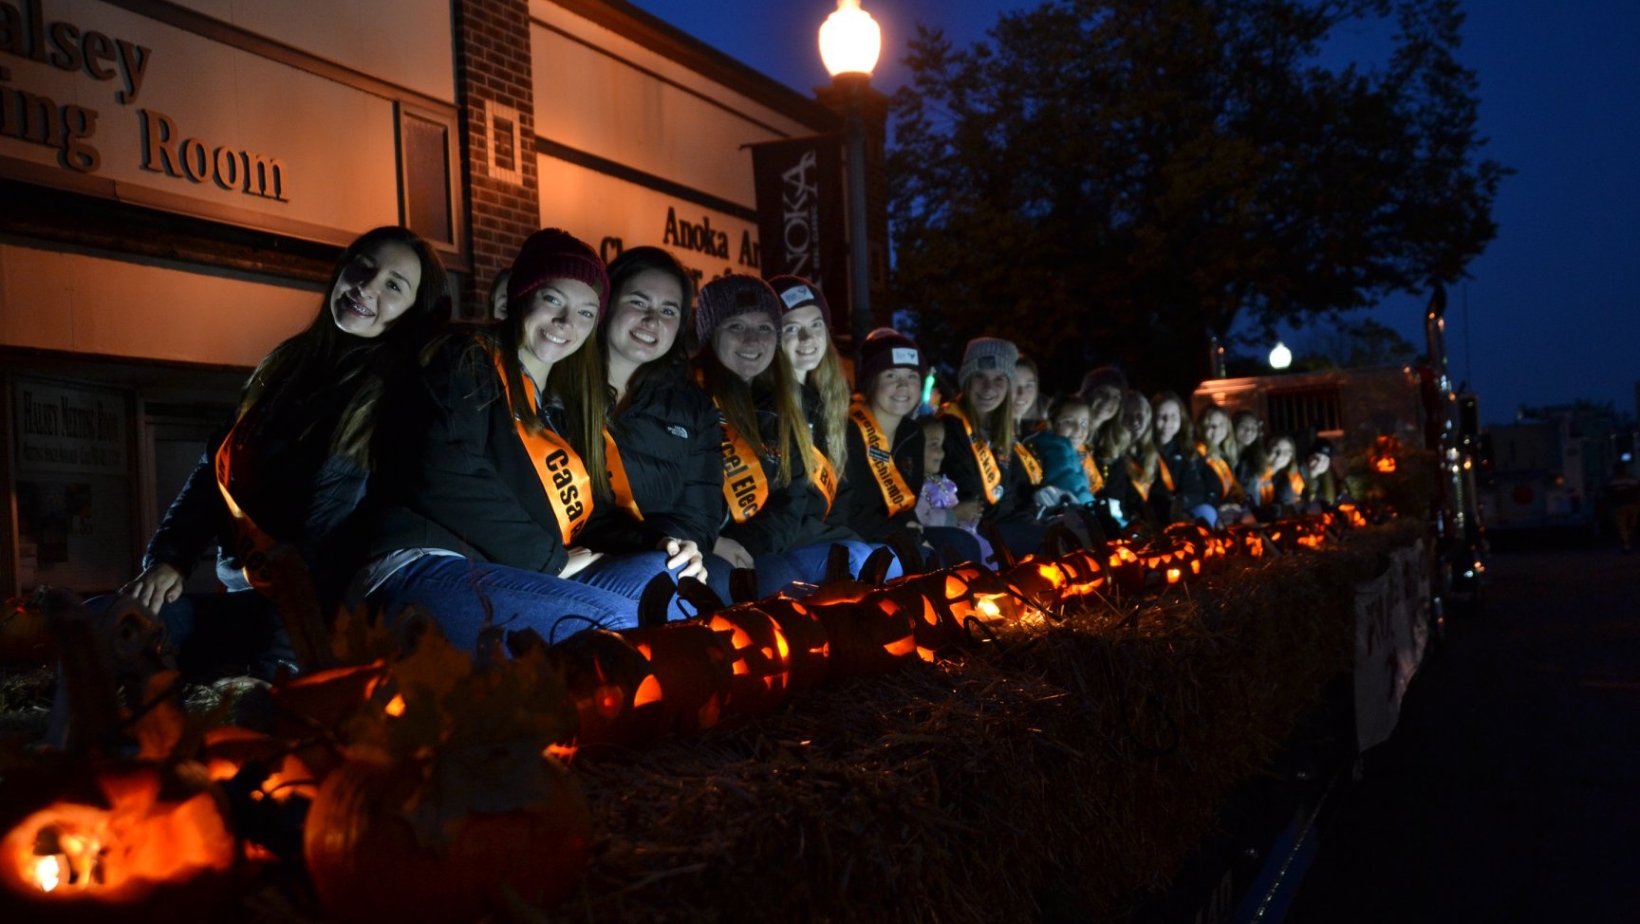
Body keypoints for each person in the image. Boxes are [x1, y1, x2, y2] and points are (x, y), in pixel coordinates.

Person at [123, 226, 451, 678]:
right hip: (248, 599)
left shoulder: (387, 399)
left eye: (394, 285)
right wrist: (168, 560)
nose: (366, 287)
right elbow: (214, 472)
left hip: (316, 623)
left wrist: (281, 665)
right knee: (114, 621)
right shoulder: (284, 366)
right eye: (363, 267)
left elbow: (326, 549)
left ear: (415, 310)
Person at [358, 228, 671, 650]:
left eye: (584, 312)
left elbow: (585, 512)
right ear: (523, 296)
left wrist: (660, 543)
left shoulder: (561, 405)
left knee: (669, 582)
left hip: (516, 568)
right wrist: (551, 561)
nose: (566, 323)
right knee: (610, 626)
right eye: (554, 300)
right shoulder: (464, 359)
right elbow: (447, 474)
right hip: (423, 563)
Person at [696, 274, 860, 596]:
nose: (752, 340)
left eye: (765, 328)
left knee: (866, 558)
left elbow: (794, 499)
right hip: (707, 546)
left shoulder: (782, 408)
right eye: (736, 327)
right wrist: (713, 540)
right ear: (709, 333)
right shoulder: (688, 396)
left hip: (769, 541)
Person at [576, 246, 720, 606]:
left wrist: (675, 545)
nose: (652, 320)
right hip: (570, 558)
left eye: (668, 310)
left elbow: (699, 511)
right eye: (638, 303)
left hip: (655, 558)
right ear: (607, 304)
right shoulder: (561, 383)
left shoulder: (695, 407)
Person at [768, 276, 881, 577]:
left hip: (823, 540)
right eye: (792, 328)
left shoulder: (828, 404)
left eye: (816, 325)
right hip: (781, 546)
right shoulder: (765, 405)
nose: (807, 338)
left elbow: (844, 497)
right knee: (863, 560)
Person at [937, 337, 1045, 564]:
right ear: (966, 380)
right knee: (1051, 543)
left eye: (999, 379)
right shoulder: (950, 426)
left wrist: (1033, 516)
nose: (988, 388)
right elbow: (974, 500)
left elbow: (1015, 493)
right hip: (973, 531)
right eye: (979, 377)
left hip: (1004, 524)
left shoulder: (1000, 430)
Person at [915, 417, 989, 565]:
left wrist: (970, 516)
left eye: (942, 445)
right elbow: (922, 519)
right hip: (940, 544)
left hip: (961, 538)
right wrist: (954, 514)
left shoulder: (943, 483)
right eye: (933, 444)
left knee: (987, 547)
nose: (941, 451)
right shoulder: (917, 486)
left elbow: (958, 515)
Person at [1024, 396, 1097, 509]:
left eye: (1084, 423)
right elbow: (1073, 488)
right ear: (1052, 423)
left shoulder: (1071, 450)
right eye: (1068, 422)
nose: (1078, 429)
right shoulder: (1056, 448)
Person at [1151, 391, 1210, 524]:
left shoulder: (1186, 449)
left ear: (1181, 418)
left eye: (1173, 416)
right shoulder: (1144, 450)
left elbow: (1196, 489)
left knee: (1207, 512)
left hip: (1182, 509)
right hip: (1155, 513)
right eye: (1162, 416)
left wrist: (1181, 504)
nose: (1168, 421)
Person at [1197, 405, 1248, 524]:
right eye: (1211, 425)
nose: (1217, 429)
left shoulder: (1224, 457)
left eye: (1221, 425)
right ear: (1201, 427)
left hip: (1226, 511)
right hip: (1209, 516)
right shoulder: (1197, 455)